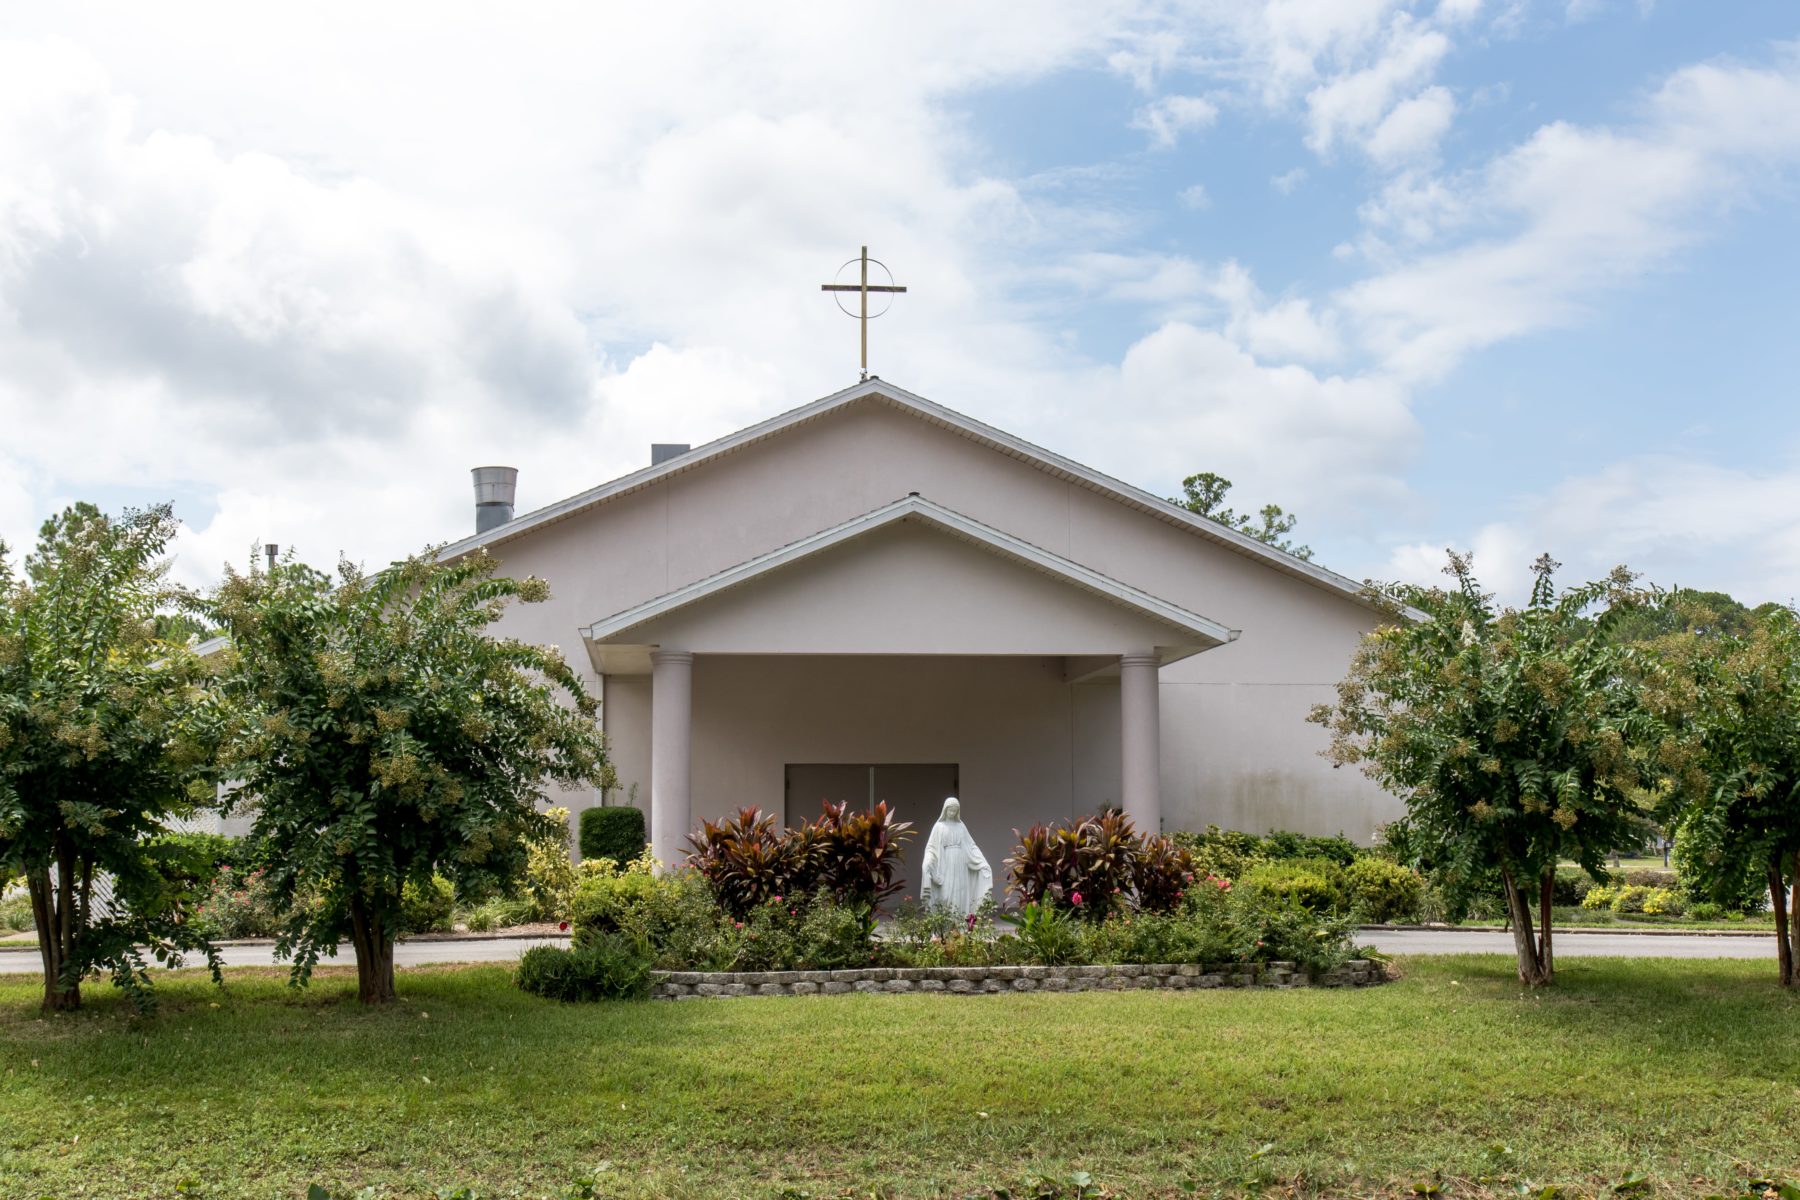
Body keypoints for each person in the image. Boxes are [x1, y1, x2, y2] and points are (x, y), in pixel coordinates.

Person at [919, 796, 992, 916]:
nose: (952, 813)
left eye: (955, 811)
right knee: (946, 893)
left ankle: (960, 926)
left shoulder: (961, 826)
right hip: (945, 864)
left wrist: (982, 861)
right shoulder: (939, 827)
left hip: (960, 863)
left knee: (961, 893)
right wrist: (927, 861)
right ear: (945, 810)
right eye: (950, 810)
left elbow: (971, 846)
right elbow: (931, 847)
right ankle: (945, 925)